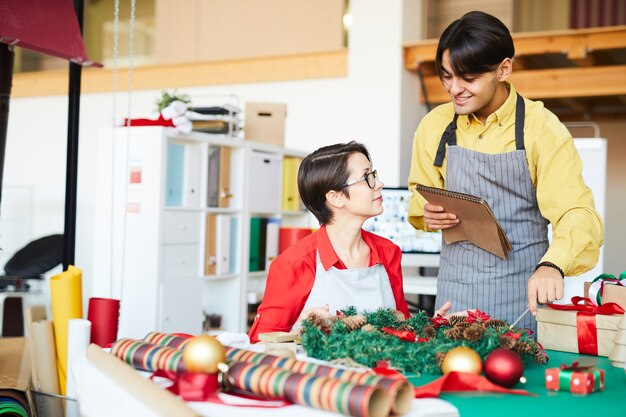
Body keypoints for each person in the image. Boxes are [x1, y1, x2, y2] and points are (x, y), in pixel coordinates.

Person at [407, 11, 603, 332]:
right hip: (454, 293)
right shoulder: (434, 126)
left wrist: (553, 265)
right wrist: (427, 213)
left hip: (521, 295)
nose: (454, 89)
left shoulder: (541, 128)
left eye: (468, 78)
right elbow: (419, 194)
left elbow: (576, 212)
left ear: (503, 69)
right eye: (446, 76)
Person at [249, 141, 410, 343]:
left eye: (374, 174)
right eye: (367, 177)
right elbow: (258, 344)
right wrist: (301, 326)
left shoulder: (388, 252)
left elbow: (403, 328)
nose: (379, 184)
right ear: (335, 198)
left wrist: (434, 325)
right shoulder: (294, 264)